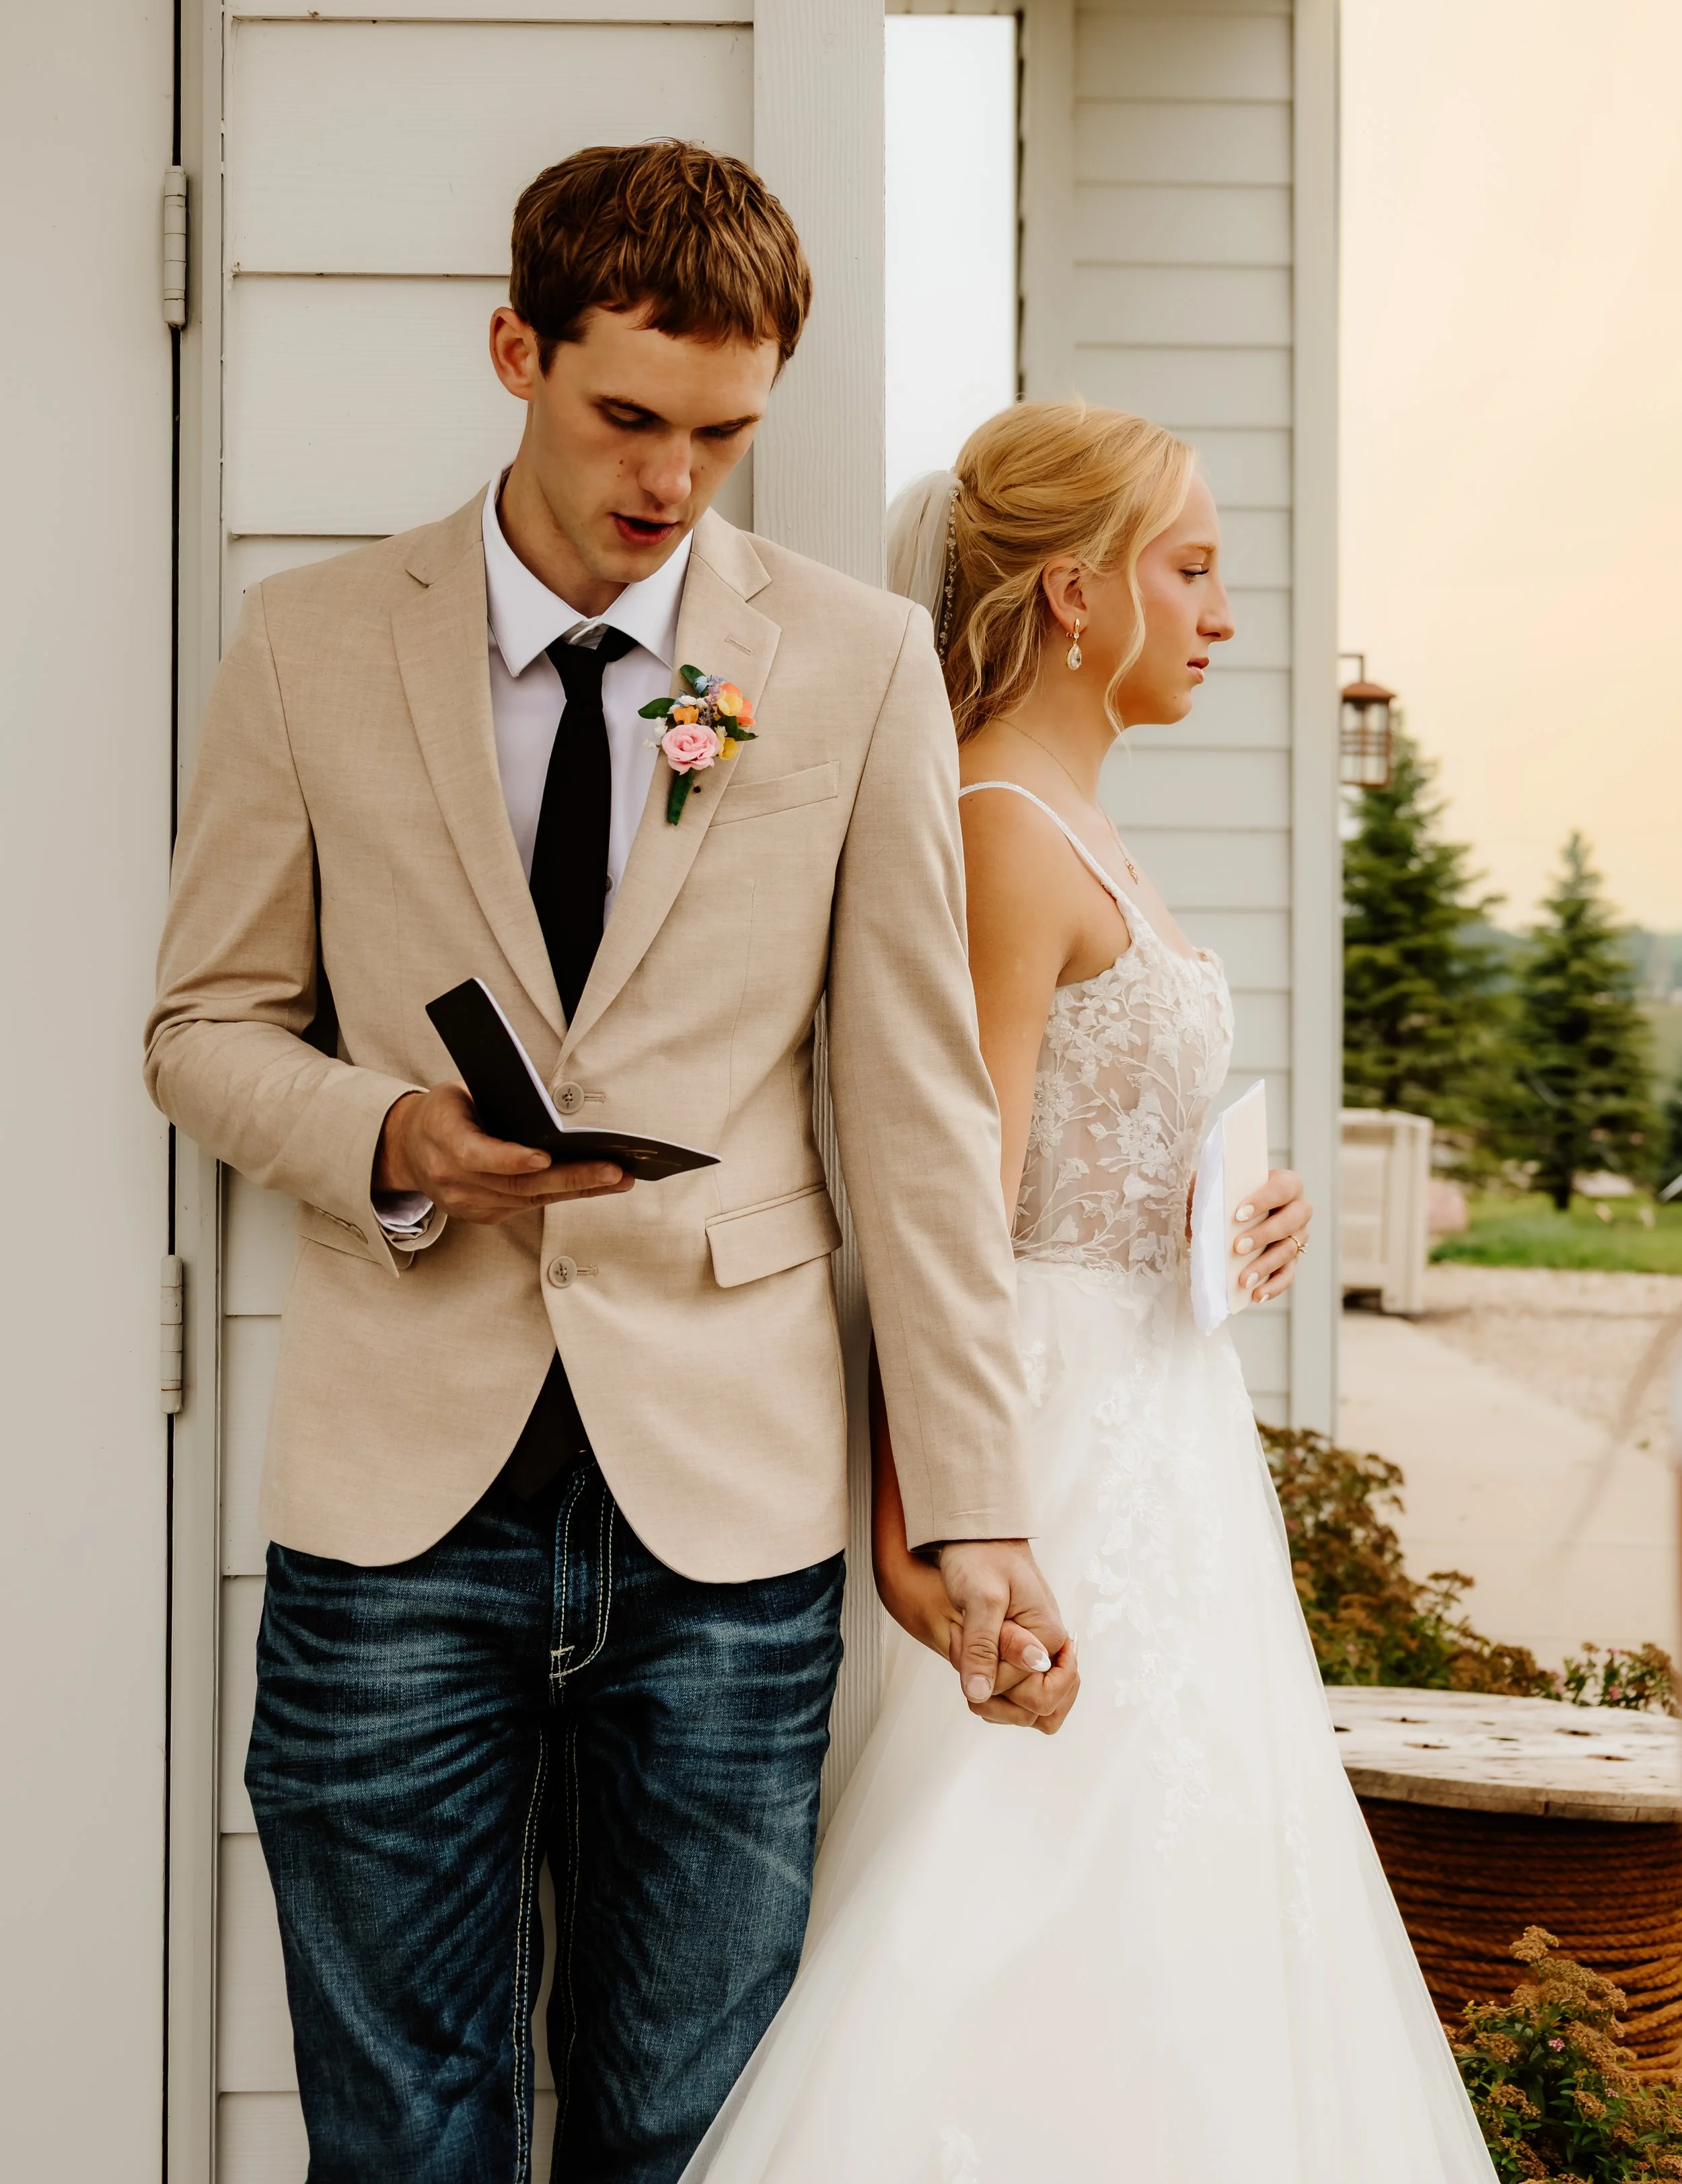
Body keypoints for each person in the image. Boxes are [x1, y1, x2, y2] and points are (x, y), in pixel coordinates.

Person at [144, 142, 1077, 2184]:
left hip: (730, 1528)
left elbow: (919, 1109)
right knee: (397, 2134)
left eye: (723, 435)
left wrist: (975, 1500)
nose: (669, 480)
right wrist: (386, 1133)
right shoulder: (308, 640)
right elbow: (199, 1028)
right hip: (394, 1522)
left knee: (690, 2131)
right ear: (517, 350)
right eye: (625, 416)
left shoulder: (846, 662)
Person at [684, 402, 1499, 2183]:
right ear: (1073, 594)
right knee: (1006, 1875)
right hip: (1044, 1434)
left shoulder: (1080, 818)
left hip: (1159, 1419)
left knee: (1189, 1881)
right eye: (1189, 570)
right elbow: (944, 1202)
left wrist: (1232, 1221)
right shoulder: (992, 828)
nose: (1221, 614)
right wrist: (931, 1521)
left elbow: (1088, 1149)